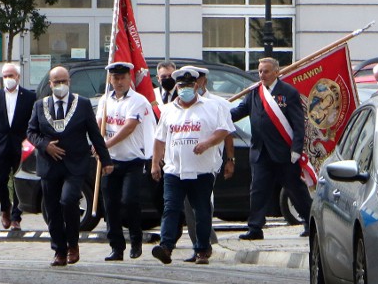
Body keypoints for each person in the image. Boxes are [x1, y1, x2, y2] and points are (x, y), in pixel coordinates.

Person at [27, 66, 113, 267]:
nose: (60, 85)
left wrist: (106, 160)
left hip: (75, 164)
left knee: (68, 201)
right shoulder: (40, 105)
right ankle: (59, 250)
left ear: (69, 82)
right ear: (50, 84)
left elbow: (94, 133)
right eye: (56, 82)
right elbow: (31, 132)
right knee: (53, 208)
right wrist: (45, 145)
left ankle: (73, 244)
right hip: (49, 165)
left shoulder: (81, 104)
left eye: (63, 81)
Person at [151, 67, 234, 265]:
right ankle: (166, 246)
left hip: (202, 170)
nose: (184, 89)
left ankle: (202, 249)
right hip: (174, 170)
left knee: (202, 211)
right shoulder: (169, 110)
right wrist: (155, 163)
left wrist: (207, 143)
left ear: (196, 86)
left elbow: (224, 130)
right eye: (181, 86)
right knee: (170, 208)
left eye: (188, 86)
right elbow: (159, 139)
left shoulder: (212, 107)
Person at [231, 57, 311, 239]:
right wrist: (217, 114)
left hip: (284, 153)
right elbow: (239, 112)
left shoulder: (288, 92)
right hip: (260, 152)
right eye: (260, 71)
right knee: (258, 190)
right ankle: (255, 228)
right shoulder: (254, 93)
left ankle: (309, 221)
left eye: (266, 71)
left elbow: (298, 124)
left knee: (295, 190)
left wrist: (296, 149)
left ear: (276, 72)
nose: (262, 75)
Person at [96, 62, 155, 261]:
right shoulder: (105, 100)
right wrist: (99, 145)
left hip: (133, 160)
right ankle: (116, 247)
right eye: (115, 78)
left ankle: (136, 240)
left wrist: (106, 144)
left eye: (122, 78)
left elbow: (129, 126)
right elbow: (99, 124)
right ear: (110, 79)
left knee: (129, 201)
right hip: (110, 160)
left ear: (129, 79)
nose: (119, 82)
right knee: (110, 205)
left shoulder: (137, 101)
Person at [177, 65, 235, 262]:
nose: (192, 86)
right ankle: (200, 244)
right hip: (184, 163)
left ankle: (205, 244)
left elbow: (228, 134)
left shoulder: (218, 104)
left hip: (209, 162)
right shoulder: (180, 103)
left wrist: (230, 159)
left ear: (203, 82)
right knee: (188, 205)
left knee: (203, 204)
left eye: (196, 81)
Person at [0, 63, 36, 231]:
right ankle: (5, 208)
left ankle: (16, 217)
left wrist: (30, 143)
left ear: (18, 77)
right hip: (1, 146)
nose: (8, 79)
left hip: (22, 146)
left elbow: (33, 123)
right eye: (5, 76)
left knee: (18, 182)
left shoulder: (28, 97)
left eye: (11, 75)